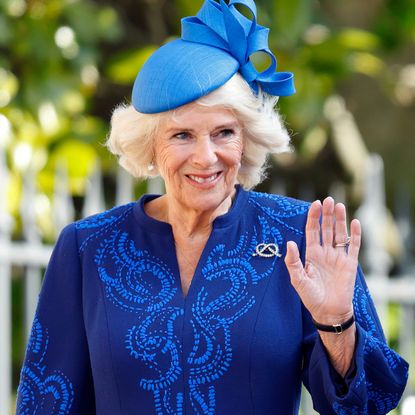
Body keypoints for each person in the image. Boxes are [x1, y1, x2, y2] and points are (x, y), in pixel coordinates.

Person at [16, 0, 408, 414]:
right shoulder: (87, 248)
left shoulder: (299, 237)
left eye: (223, 132)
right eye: (182, 135)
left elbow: (370, 405)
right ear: (150, 145)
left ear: (248, 139)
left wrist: (336, 324)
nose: (206, 157)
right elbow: (47, 401)